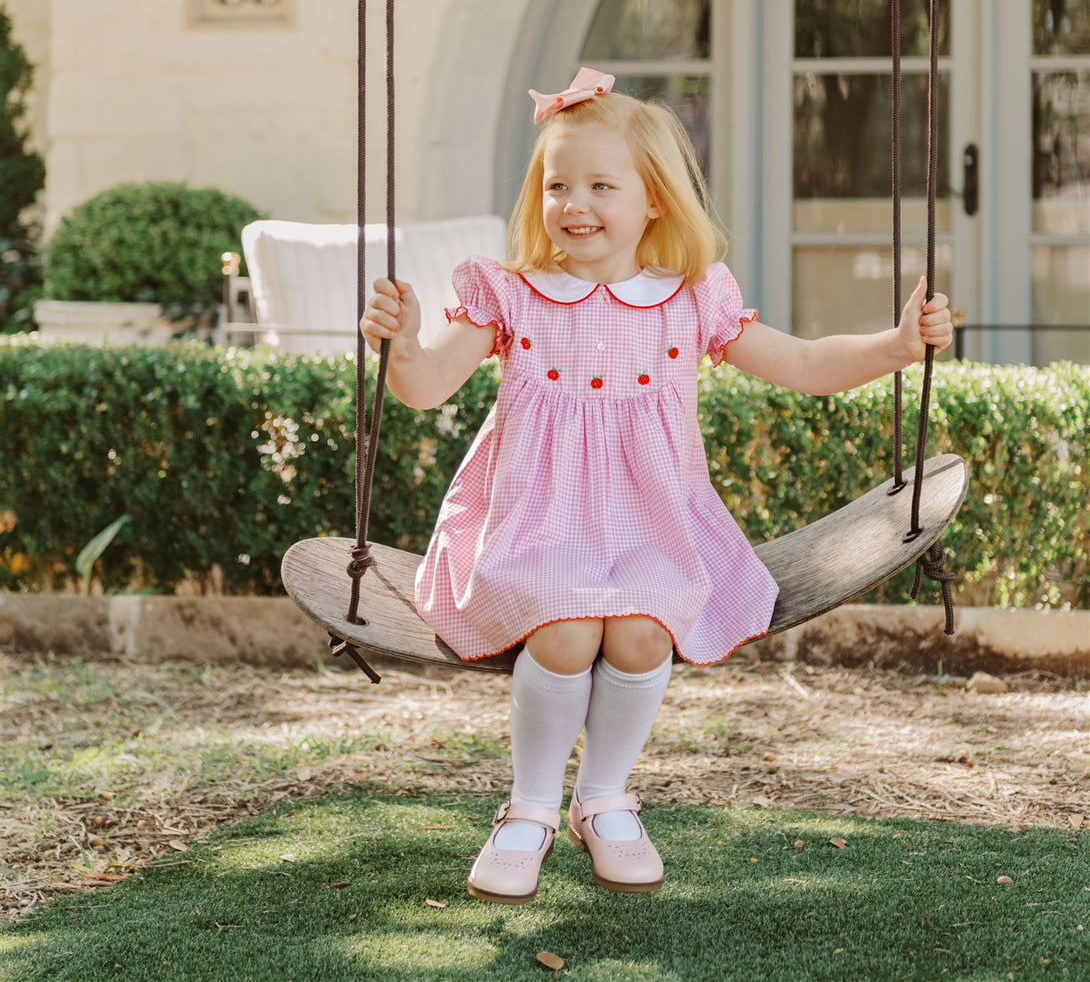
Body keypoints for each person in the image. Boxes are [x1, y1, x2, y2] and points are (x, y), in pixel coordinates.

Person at [361, 68, 952, 905]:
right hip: (534, 526)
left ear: (655, 203)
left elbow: (807, 364)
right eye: (558, 183)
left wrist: (896, 346)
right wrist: (401, 345)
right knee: (564, 633)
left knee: (640, 634)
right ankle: (527, 807)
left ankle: (602, 798)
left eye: (603, 184)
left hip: (650, 526)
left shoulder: (688, 301)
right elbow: (424, 388)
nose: (576, 202)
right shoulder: (511, 296)